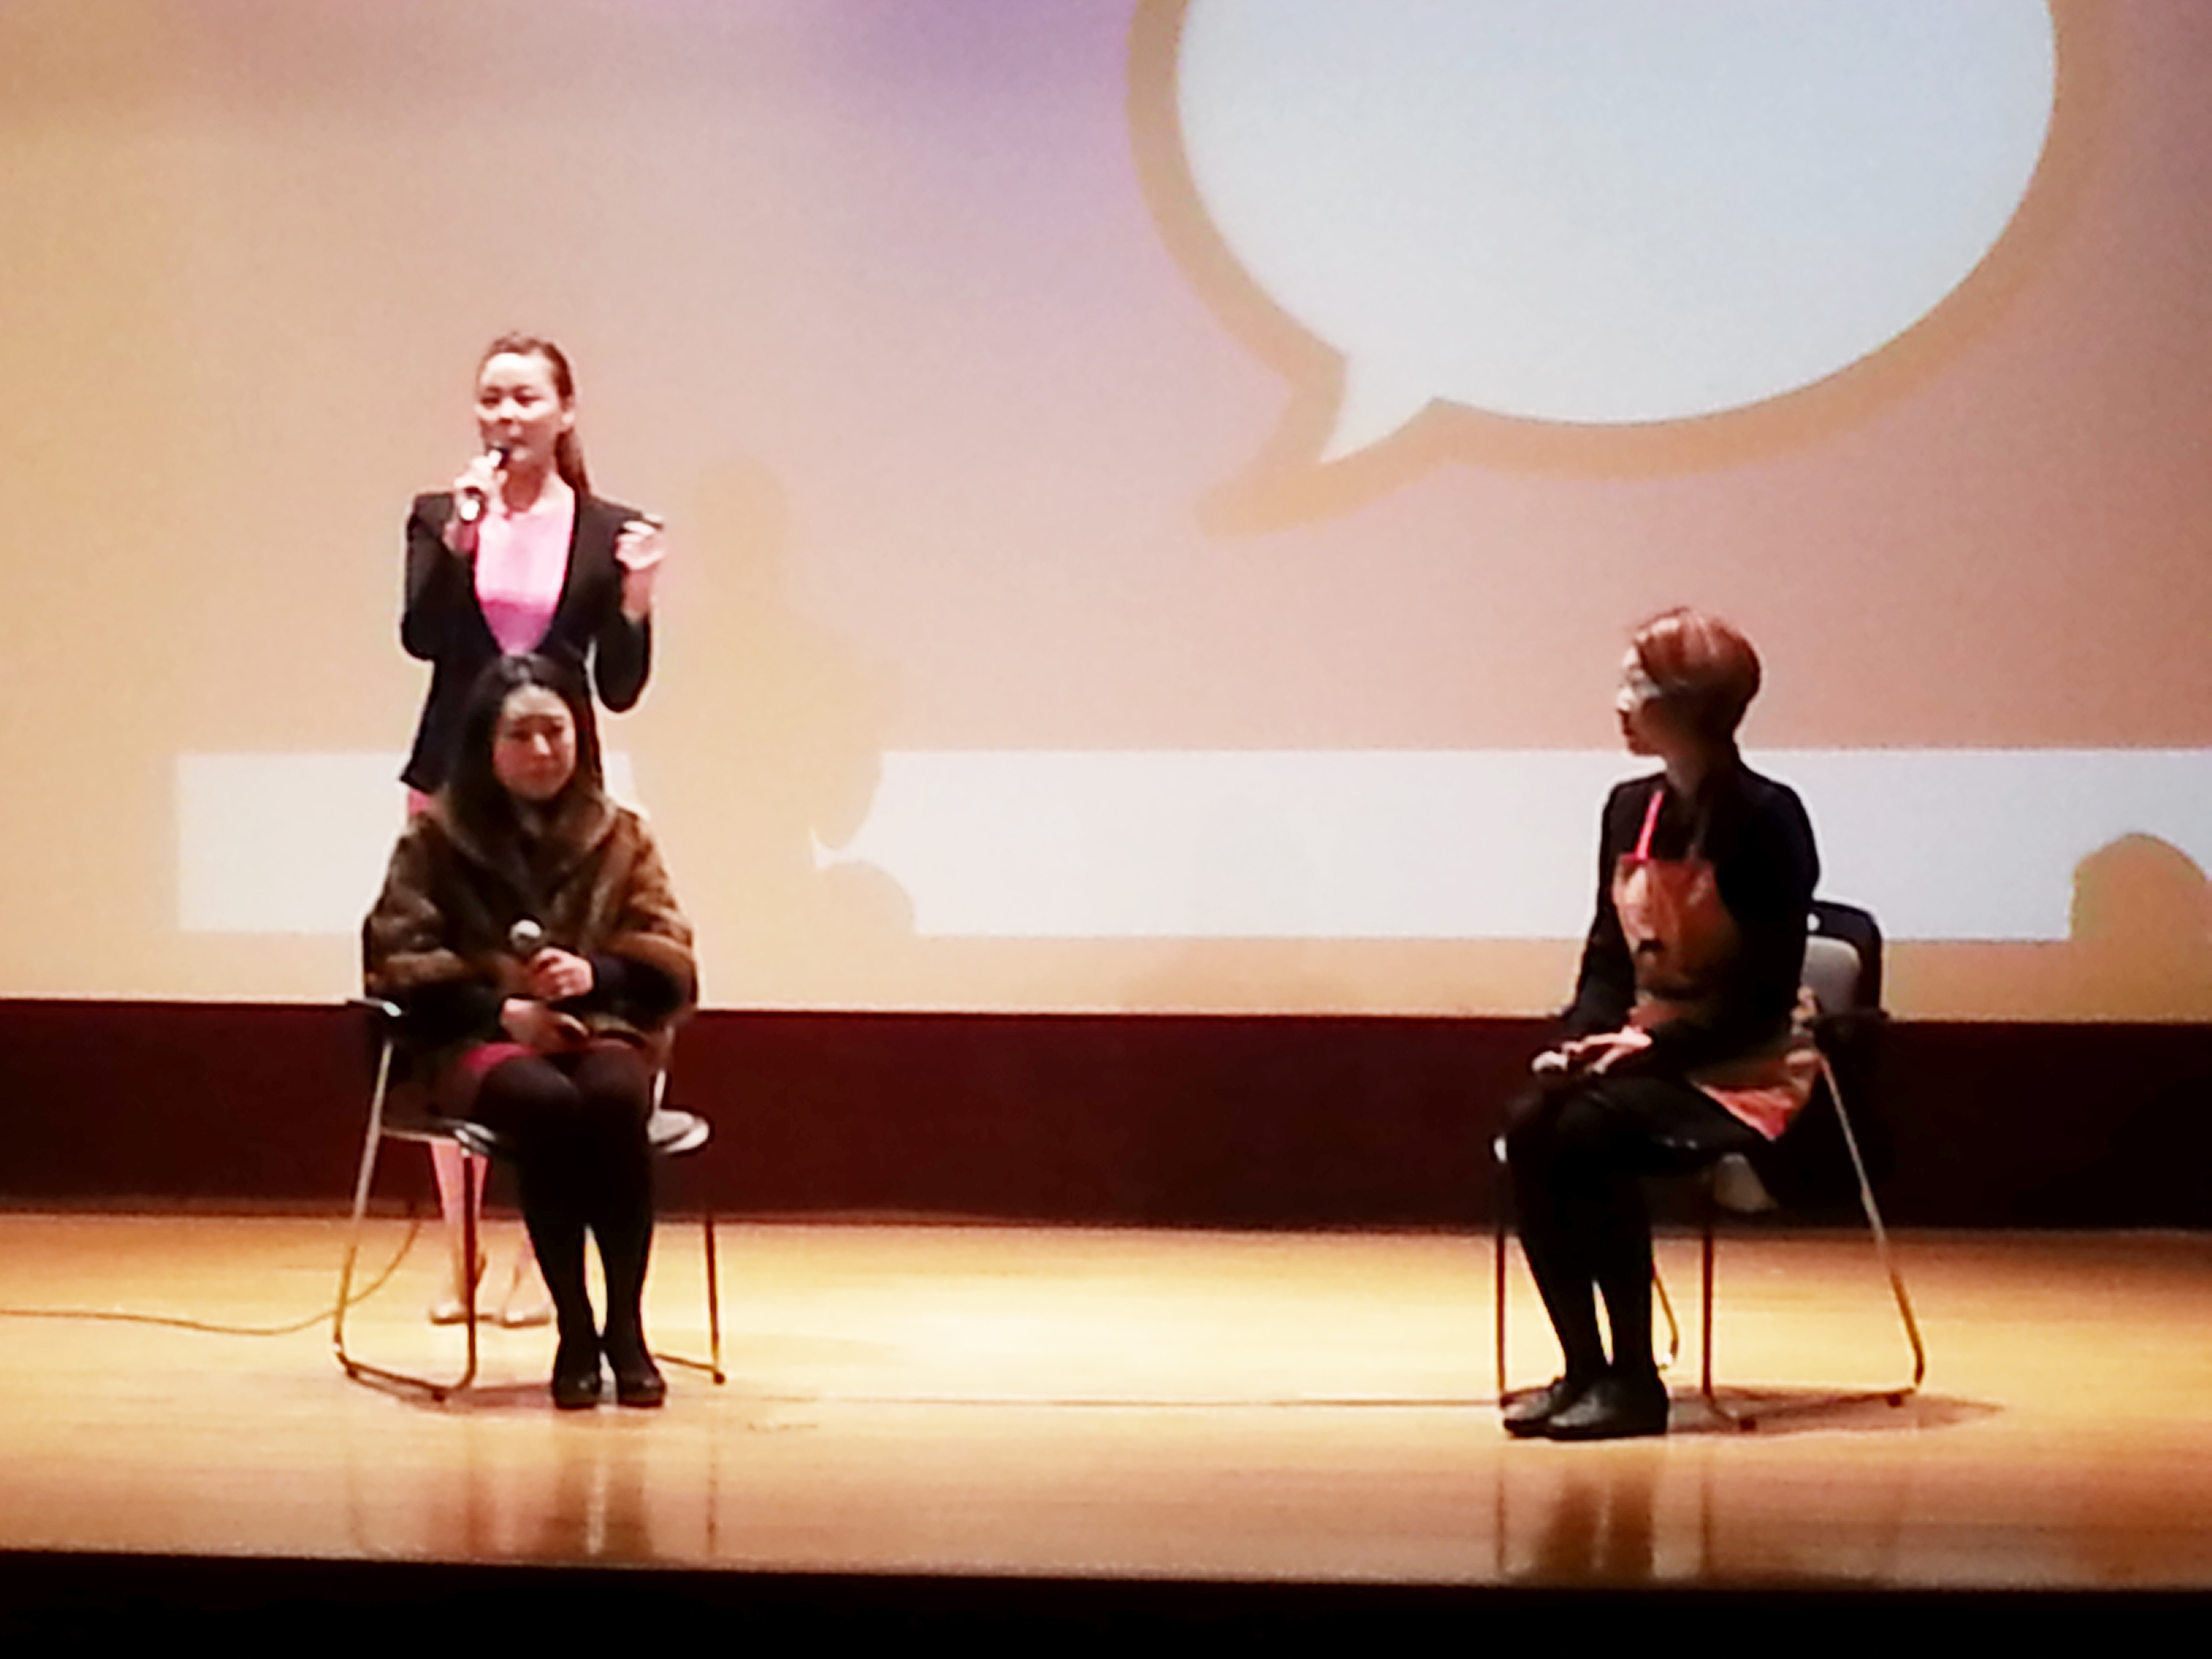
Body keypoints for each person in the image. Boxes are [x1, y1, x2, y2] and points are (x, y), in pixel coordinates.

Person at [399, 334, 668, 1327]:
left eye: (525, 399)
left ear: (565, 412)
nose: (505, 417)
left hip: (562, 790)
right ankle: (459, 1247)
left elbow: (620, 689)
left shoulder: (608, 528)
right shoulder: (441, 514)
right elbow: (423, 637)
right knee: (463, 1001)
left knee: (558, 997)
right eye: (491, 399)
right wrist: (462, 544)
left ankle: (533, 1251)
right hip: (453, 783)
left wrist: (636, 601)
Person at [1500, 609, 1819, 1441]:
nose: (1620, 702)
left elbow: (1763, 995)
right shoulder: (1628, 807)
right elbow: (1609, 956)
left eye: (1637, 685)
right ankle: (1582, 1366)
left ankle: (1635, 1379)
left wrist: (1654, 1044)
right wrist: (1580, 1038)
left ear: (1691, 705)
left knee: (1586, 1134)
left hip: (1742, 1059)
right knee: (1534, 1121)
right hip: (1646, 1049)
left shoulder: (1767, 818)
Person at [365, 654, 696, 1409]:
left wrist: (595, 974)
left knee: (614, 1097)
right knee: (545, 1103)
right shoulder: (433, 840)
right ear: (486, 743)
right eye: (520, 735)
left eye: (556, 731)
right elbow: (398, 960)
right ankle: (575, 1329)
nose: (542, 750)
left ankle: (625, 1328)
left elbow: (669, 952)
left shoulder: (623, 836)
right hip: (469, 1036)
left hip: (597, 1024)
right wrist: (502, 1010)